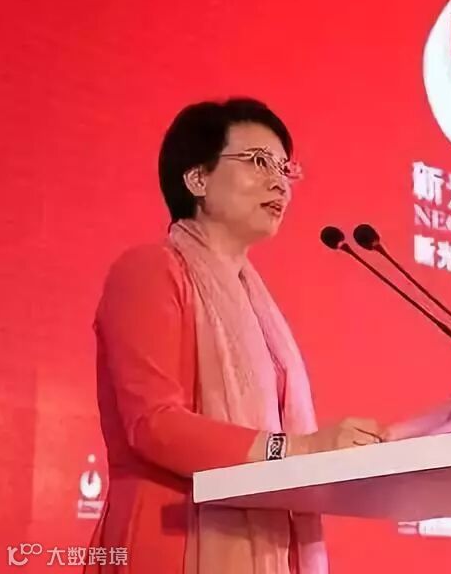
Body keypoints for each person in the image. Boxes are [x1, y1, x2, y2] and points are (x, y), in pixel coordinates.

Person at [86, 98, 383, 573]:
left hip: (267, 539)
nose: (280, 183)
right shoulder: (148, 270)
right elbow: (154, 424)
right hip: (171, 537)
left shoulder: (258, 306)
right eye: (258, 161)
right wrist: (299, 449)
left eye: (284, 168)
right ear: (197, 179)